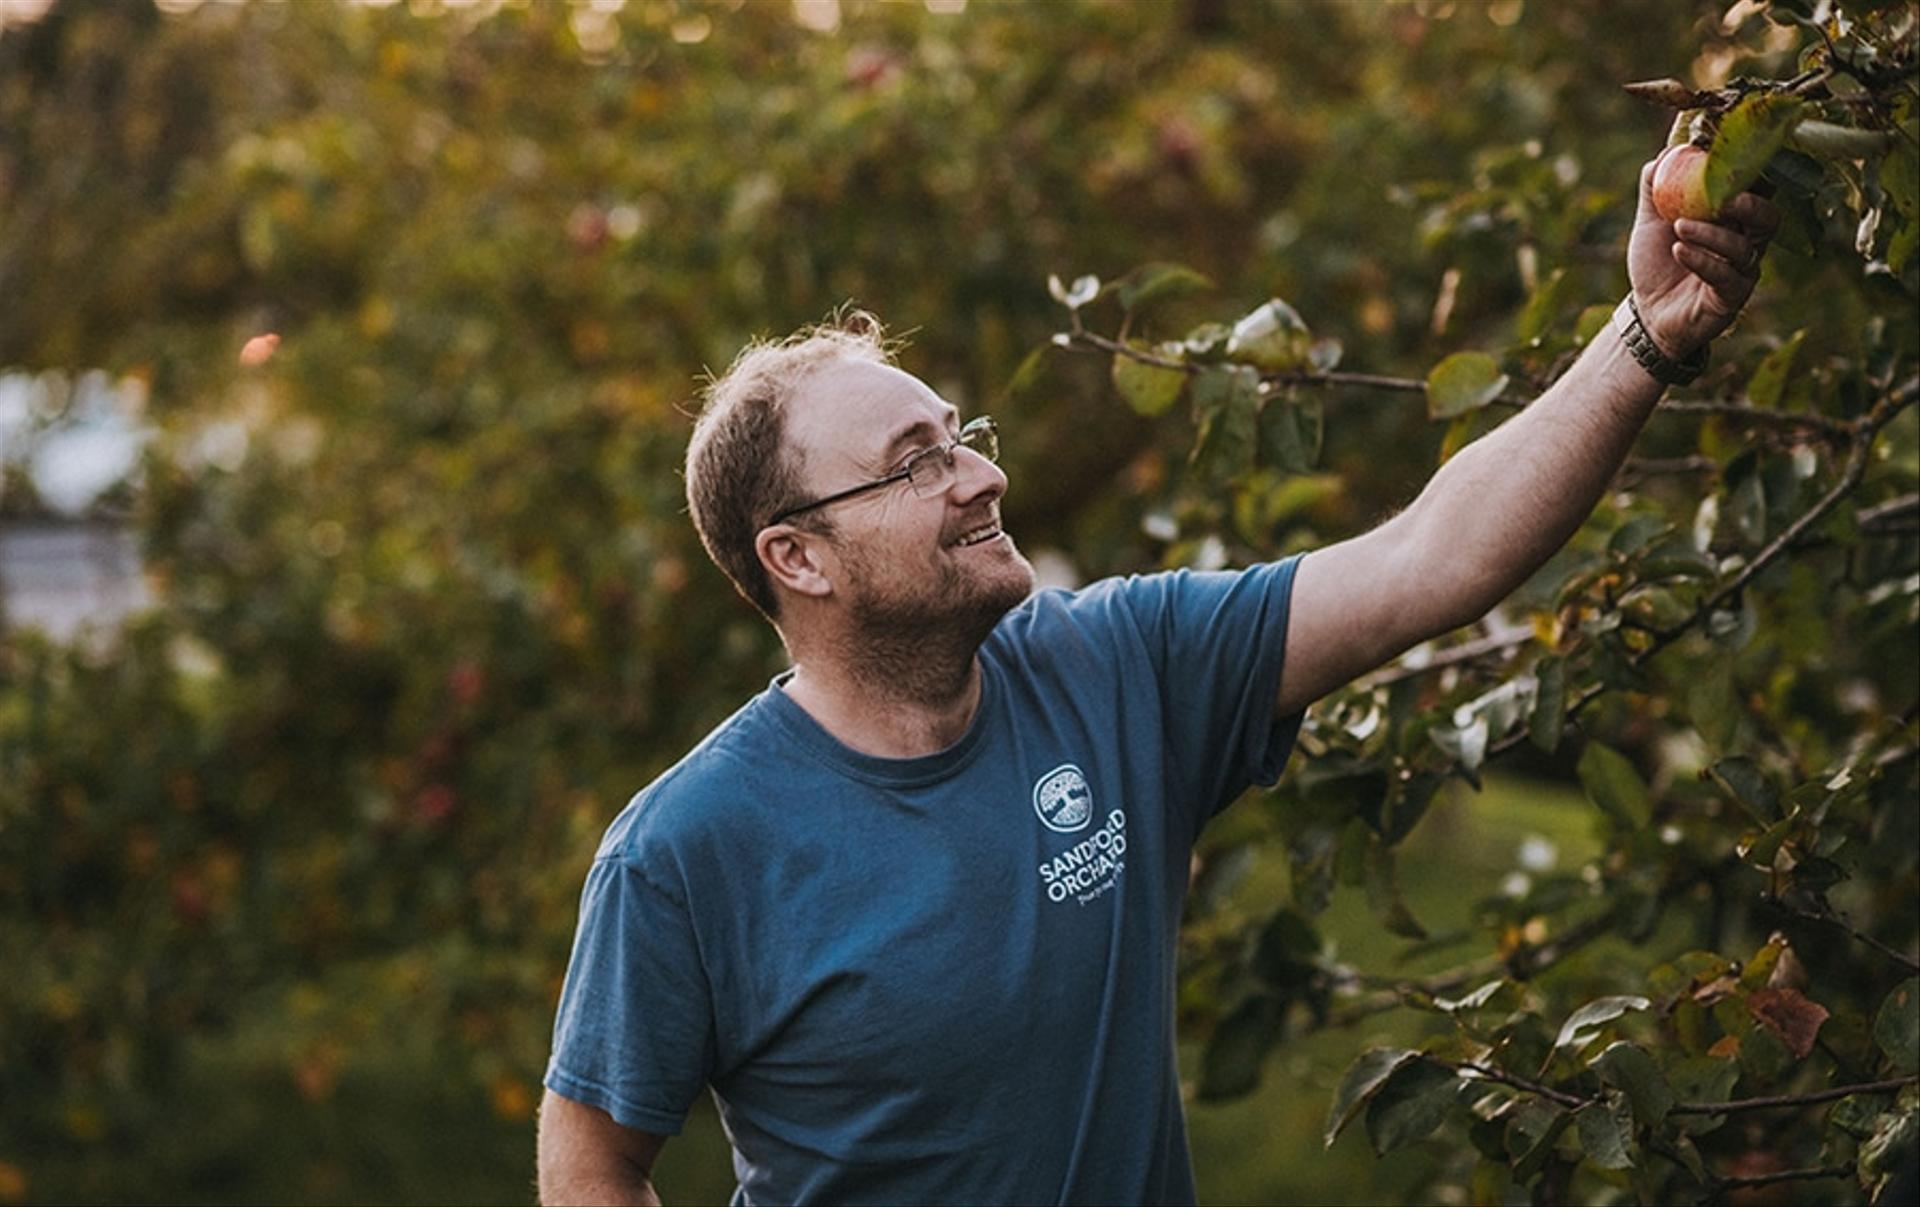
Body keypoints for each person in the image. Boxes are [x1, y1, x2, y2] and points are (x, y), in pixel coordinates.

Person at [535, 148, 1778, 1206]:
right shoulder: (689, 850)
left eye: (962, 440)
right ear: (797, 556)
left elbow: (1427, 557)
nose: (980, 479)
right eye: (914, 464)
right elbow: (590, 1158)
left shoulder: (1115, 666)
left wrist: (1647, 337)